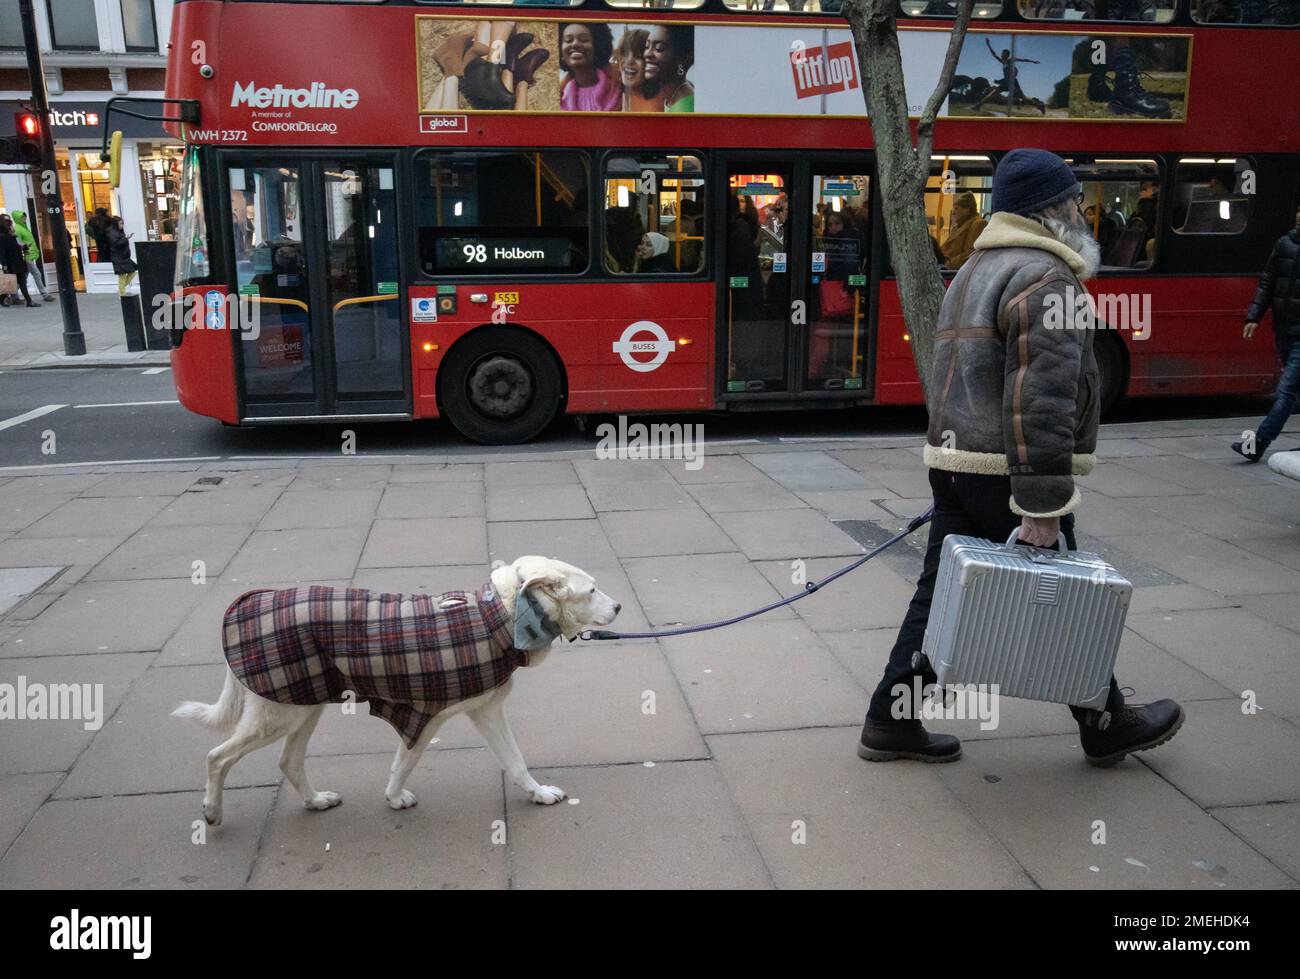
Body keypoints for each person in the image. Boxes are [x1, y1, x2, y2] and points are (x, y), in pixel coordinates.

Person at [858, 148, 1184, 767]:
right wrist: (1042, 504)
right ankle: (1105, 721)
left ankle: (890, 718)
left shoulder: (977, 269)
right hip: (1008, 471)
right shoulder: (1045, 278)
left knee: (939, 596)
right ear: (1052, 210)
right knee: (1060, 597)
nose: (1081, 214)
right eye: (1073, 202)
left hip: (957, 461)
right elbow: (1043, 399)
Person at [1233, 204, 1300, 461]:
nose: (1298, 222)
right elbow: (1268, 281)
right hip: (1283, 329)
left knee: (1286, 390)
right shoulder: (1284, 244)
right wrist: (1254, 316)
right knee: (1292, 391)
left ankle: (1257, 443)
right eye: (1297, 218)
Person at [973, 38, 1046, 115]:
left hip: (1012, 83)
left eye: (1002, 54)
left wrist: (1033, 61)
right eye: (1001, 53)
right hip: (1005, 83)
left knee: (1022, 97)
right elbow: (994, 54)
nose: (1001, 55)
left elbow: (1022, 59)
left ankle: (1039, 105)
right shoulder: (1003, 62)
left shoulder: (1009, 60)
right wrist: (988, 45)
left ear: (1006, 55)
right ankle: (978, 106)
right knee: (992, 94)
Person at [559, 22, 620, 111]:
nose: (575, 44)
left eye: (584, 40)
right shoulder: (557, 98)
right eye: (568, 40)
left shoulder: (619, 90)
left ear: (598, 47)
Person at [642, 25, 694, 112]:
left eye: (659, 48)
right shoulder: (674, 94)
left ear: (682, 58)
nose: (647, 54)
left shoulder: (684, 108)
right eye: (646, 46)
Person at [9, 210, 54, 301]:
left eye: (25, 216)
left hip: (29, 255)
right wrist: (26, 255)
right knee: (36, 274)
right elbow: (19, 244)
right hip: (27, 256)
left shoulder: (24, 227)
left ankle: (10, 296)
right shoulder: (18, 229)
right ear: (18, 218)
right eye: (22, 217)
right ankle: (44, 294)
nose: (24, 218)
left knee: (22, 279)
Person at [940, 192, 987, 269]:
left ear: (968, 210)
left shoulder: (978, 224)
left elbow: (972, 252)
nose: (953, 212)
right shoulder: (958, 226)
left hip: (955, 271)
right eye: (953, 208)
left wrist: (948, 264)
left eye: (956, 208)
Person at [0, 214, 37, 307]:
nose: (11, 226)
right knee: (10, 283)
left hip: (18, 262)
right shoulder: (2, 236)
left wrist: (24, 247)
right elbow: (2, 252)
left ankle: (29, 301)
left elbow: (16, 247)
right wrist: (4, 264)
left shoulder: (12, 236)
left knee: (20, 282)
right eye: (9, 223)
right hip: (10, 263)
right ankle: (28, 301)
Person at [105, 215, 138, 295]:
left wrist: (126, 238)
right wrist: (125, 238)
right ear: (116, 224)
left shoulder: (118, 232)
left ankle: (121, 289)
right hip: (118, 257)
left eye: (122, 223)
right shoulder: (112, 233)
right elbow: (116, 244)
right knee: (122, 276)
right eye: (120, 223)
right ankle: (122, 293)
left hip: (123, 257)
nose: (122, 225)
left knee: (132, 272)